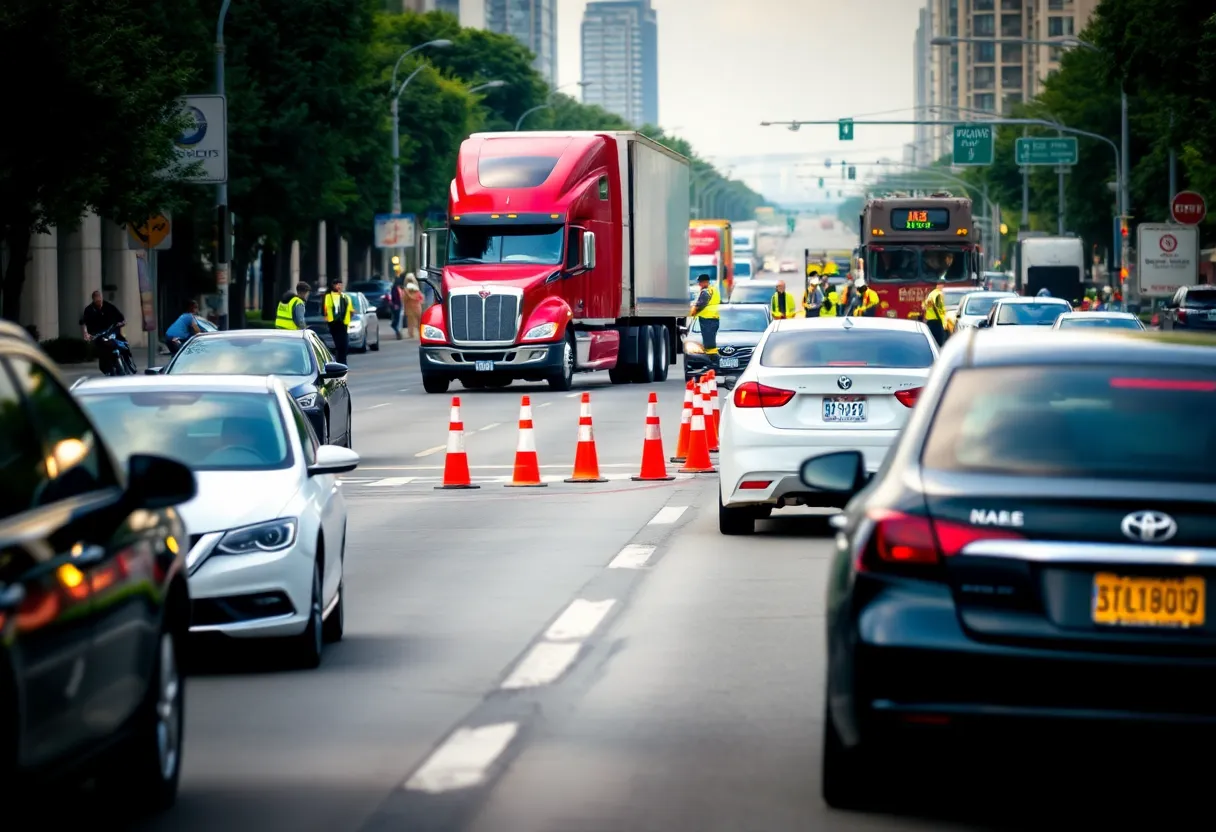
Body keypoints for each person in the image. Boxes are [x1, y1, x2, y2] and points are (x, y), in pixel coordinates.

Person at [80, 290, 127, 373]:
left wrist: (122, 322)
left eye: (100, 299)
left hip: (111, 330)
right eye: (97, 300)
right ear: (93, 300)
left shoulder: (109, 306)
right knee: (102, 349)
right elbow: (84, 322)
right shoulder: (89, 310)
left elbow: (120, 317)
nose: (99, 302)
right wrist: (86, 333)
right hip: (98, 334)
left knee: (121, 342)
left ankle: (125, 360)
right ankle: (107, 366)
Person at [688, 273, 720, 366]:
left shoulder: (706, 292)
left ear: (705, 282)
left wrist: (691, 313)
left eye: (700, 282)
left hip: (707, 320)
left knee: (709, 345)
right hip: (714, 318)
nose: (699, 284)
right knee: (711, 343)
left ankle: (714, 364)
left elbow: (700, 305)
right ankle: (715, 363)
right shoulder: (714, 289)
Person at [323, 280, 352, 364]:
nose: (339, 287)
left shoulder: (345, 297)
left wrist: (348, 318)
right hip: (334, 324)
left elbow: (350, 310)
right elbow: (326, 310)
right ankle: (339, 363)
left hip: (344, 324)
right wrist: (329, 321)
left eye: (340, 285)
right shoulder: (329, 296)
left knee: (344, 346)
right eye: (337, 285)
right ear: (333, 286)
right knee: (339, 346)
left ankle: (343, 363)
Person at [922, 280, 947, 346]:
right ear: (941, 285)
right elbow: (940, 309)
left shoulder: (932, 294)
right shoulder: (938, 294)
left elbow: (924, 306)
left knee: (932, 341)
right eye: (943, 286)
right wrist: (944, 322)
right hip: (937, 321)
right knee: (939, 342)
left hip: (930, 321)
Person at [404, 274, 423, 339]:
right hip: (416, 307)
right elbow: (421, 299)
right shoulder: (417, 290)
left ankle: (412, 333)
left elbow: (404, 299)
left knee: (411, 322)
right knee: (417, 321)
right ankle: (417, 333)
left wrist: (408, 294)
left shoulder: (407, 290)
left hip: (410, 307)